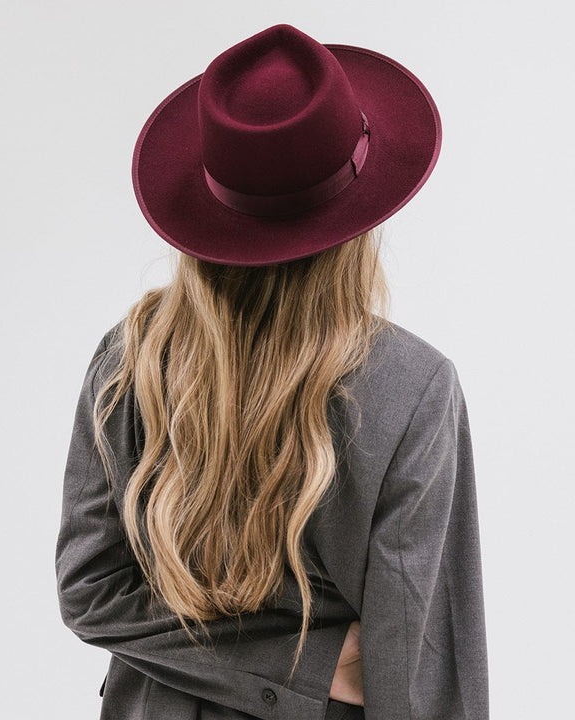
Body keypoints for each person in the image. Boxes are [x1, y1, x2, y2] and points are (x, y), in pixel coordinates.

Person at [55, 22, 489, 720]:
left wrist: (270, 664)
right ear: (360, 214)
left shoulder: (131, 358)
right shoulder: (413, 390)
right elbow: (419, 676)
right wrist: (310, 665)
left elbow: (91, 592)